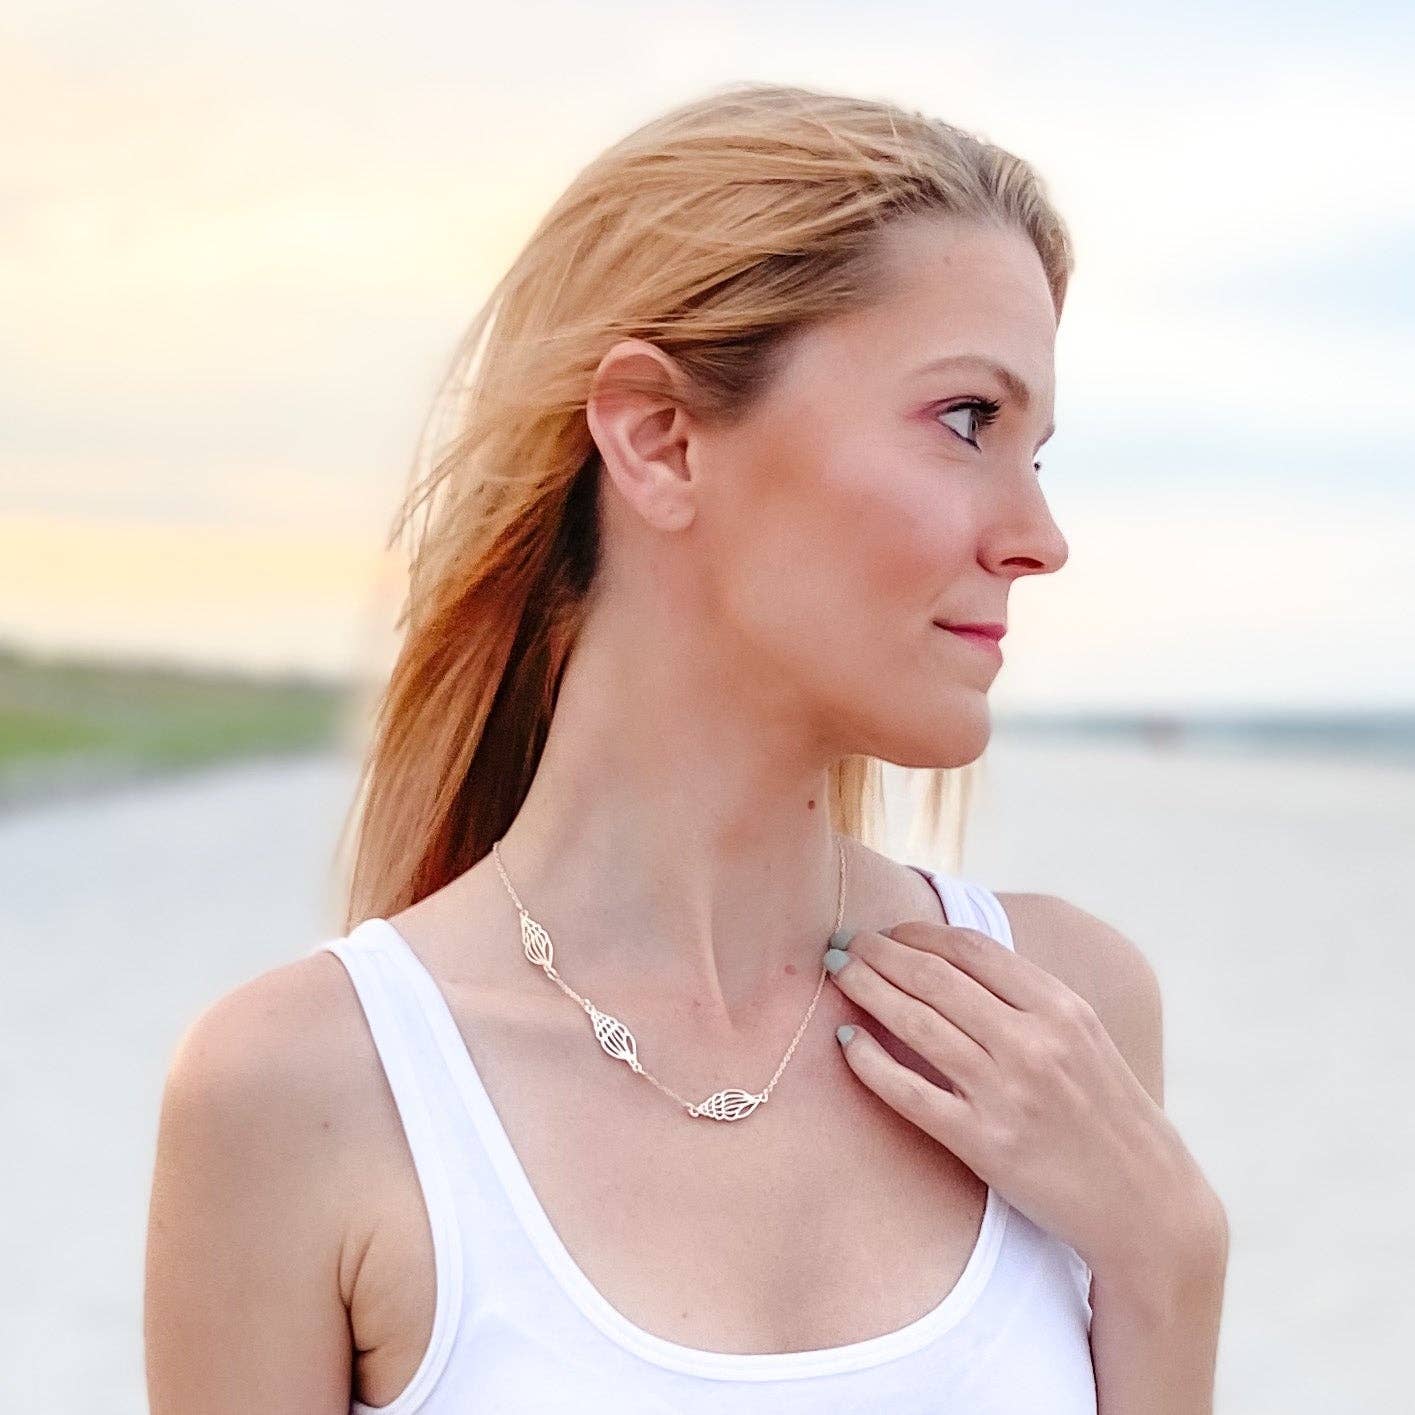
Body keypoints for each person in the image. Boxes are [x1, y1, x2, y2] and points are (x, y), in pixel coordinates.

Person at [143, 80, 1228, 1412]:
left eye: (1037, 455)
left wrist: (1171, 1263)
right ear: (659, 441)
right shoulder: (307, 1091)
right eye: (967, 421)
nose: (1039, 538)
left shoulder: (1060, 1018)